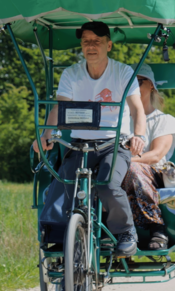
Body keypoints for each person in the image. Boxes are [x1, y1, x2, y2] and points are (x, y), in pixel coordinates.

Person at [34, 21, 147, 256]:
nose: (91, 46)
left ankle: (126, 232)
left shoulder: (123, 72)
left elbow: (137, 110)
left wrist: (139, 135)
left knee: (107, 184)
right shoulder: (71, 74)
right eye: (86, 42)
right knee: (63, 184)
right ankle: (60, 237)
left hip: (113, 144)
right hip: (79, 145)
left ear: (109, 45)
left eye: (96, 41)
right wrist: (46, 135)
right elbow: (60, 109)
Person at [121, 63, 175, 250]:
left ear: (151, 86)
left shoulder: (164, 120)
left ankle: (157, 227)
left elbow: (156, 155)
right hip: (118, 171)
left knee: (132, 169)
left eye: (138, 82)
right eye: (128, 83)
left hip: (153, 175)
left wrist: (123, 160)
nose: (132, 87)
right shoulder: (117, 122)